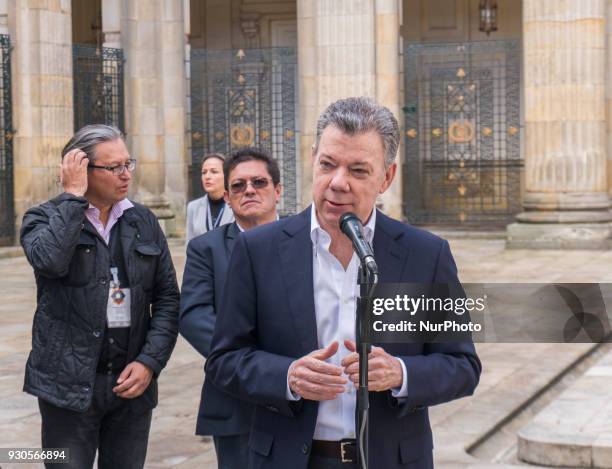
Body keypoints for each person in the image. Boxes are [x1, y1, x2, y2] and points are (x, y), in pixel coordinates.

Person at [206, 97, 482, 469]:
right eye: (328, 164)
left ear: (387, 177)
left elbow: (461, 366)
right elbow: (225, 360)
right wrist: (287, 376)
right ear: (313, 159)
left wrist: (400, 373)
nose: (338, 183)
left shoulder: (424, 255)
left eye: (358, 170)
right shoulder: (258, 250)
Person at [20, 124, 180, 469]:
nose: (126, 175)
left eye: (128, 164)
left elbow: (167, 298)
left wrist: (150, 362)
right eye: (114, 167)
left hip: (130, 386)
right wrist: (73, 199)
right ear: (80, 169)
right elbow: (49, 261)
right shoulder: (43, 219)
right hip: (67, 390)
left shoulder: (143, 221)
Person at [180, 146, 282, 469]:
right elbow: (194, 315)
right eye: (238, 185)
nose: (248, 190)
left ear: (278, 191)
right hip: (235, 396)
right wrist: (246, 359)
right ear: (226, 196)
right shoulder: (205, 249)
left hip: (299, 393)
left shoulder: (307, 239)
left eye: (259, 182)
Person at [186, 153, 234, 242]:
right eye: (204, 172)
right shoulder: (193, 207)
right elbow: (189, 243)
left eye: (214, 171)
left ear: (226, 175)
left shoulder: (236, 204)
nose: (207, 177)